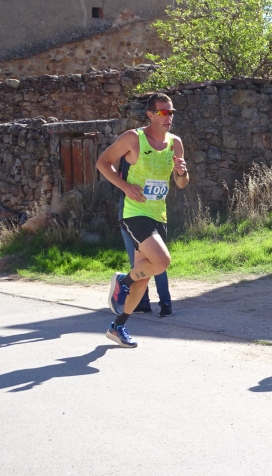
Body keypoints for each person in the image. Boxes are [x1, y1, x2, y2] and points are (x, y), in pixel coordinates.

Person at [96, 92, 189, 348]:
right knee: (162, 261)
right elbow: (103, 163)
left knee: (145, 275)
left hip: (159, 213)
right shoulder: (133, 138)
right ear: (150, 114)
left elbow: (181, 184)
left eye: (171, 112)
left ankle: (118, 326)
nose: (168, 117)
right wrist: (124, 186)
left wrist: (182, 172)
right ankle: (122, 282)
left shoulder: (175, 143)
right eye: (163, 112)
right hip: (134, 213)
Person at [118, 157, 173, 317]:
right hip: (130, 218)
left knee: (156, 262)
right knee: (142, 263)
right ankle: (144, 303)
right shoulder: (127, 166)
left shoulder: (143, 164)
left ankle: (164, 303)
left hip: (143, 218)